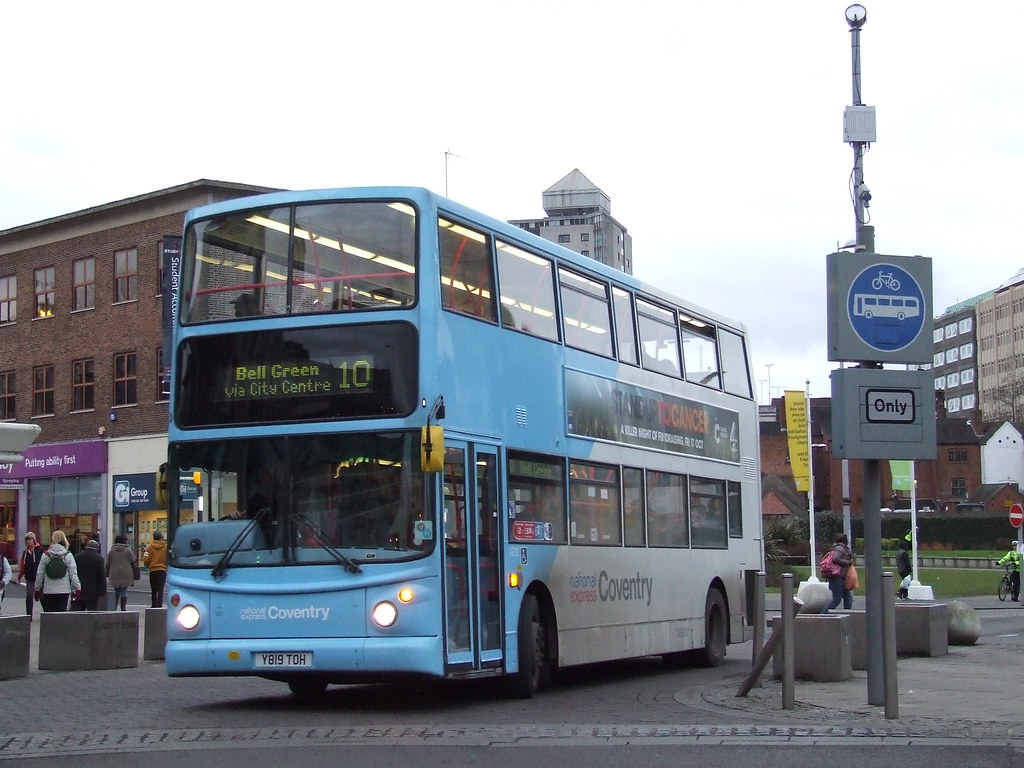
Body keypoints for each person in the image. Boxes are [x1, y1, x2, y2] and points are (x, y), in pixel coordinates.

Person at [36, 530, 81, 613]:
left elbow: (40, 573)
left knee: (50, 615)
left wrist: (37, 589)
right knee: (61, 616)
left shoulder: (46, 555)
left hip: (48, 590)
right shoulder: (67, 555)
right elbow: (73, 574)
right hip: (64, 590)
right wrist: (78, 588)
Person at [105, 534, 138, 611]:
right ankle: (123, 608)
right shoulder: (128, 550)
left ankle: (115, 606)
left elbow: (108, 563)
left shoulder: (111, 550)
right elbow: (133, 560)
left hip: (114, 573)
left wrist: (106, 573)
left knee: (116, 591)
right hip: (126, 573)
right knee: (124, 591)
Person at [72, 540, 106, 611]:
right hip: (93, 590)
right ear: (97, 548)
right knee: (92, 611)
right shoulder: (99, 558)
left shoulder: (77, 556)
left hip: (79, 589)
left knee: (78, 612)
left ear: (86, 547)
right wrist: (103, 590)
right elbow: (101, 576)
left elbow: (73, 572)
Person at [823, 533, 854, 612]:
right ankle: (823, 614)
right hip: (837, 577)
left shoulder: (840, 548)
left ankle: (848, 616)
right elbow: (835, 559)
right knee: (837, 600)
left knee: (848, 599)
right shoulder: (840, 548)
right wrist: (848, 562)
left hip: (841, 577)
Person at [17, 532, 44, 618]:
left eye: (30, 539)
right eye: (26, 540)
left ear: (34, 540)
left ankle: (47, 612)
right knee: (29, 597)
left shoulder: (40, 550)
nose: (28, 541)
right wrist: (19, 577)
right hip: (30, 578)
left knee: (43, 597)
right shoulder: (25, 553)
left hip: (40, 577)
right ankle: (29, 615)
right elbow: (22, 566)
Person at [143, 530, 168, 608]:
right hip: (162, 570)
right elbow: (168, 558)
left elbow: (145, 559)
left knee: (153, 589)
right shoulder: (165, 547)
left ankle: (153, 605)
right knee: (161, 589)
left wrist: (149, 566)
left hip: (153, 570)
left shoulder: (149, 547)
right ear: (161, 537)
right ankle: (159, 605)